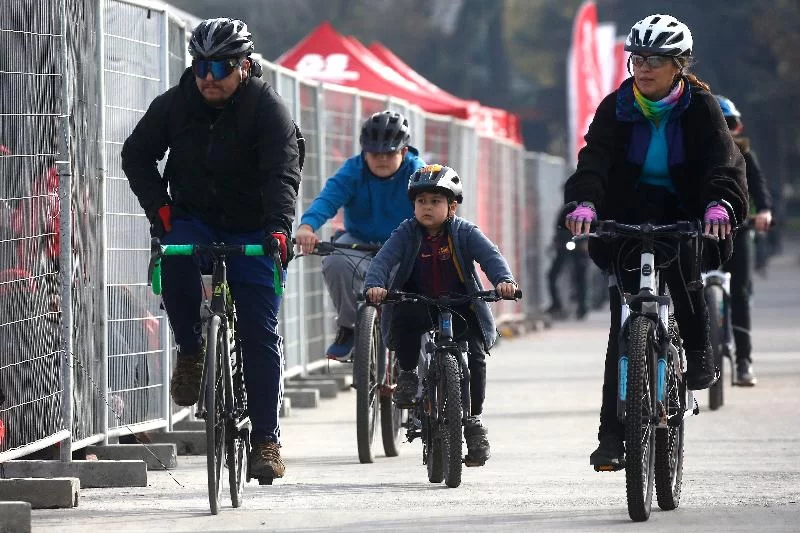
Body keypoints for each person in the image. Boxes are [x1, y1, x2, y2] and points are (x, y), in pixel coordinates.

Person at [563, 14, 748, 470]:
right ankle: (611, 437)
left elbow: (722, 163)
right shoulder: (616, 106)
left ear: (679, 65)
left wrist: (720, 205)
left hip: (683, 211)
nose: (643, 68)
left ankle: (701, 349)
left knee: (686, 278)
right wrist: (585, 203)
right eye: (637, 58)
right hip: (627, 211)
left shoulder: (701, 108)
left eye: (656, 60)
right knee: (622, 326)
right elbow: (595, 160)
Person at [121, 18, 302, 479]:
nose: (207, 76)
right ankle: (191, 349)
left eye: (219, 66)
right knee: (175, 251)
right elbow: (136, 154)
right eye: (200, 65)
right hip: (195, 217)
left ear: (243, 66)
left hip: (254, 227)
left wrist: (279, 231)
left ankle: (266, 439)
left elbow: (282, 173)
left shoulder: (268, 109)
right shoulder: (176, 103)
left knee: (260, 333)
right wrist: (160, 212)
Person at [364, 164, 517, 466]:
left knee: (475, 356)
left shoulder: (464, 233)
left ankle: (473, 421)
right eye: (421, 201)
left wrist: (505, 281)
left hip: (461, 304)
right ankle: (407, 376)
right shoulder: (406, 233)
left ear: (452, 206)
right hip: (419, 302)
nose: (427, 207)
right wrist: (375, 286)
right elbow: (383, 260)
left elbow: (491, 257)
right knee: (405, 318)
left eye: (435, 201)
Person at [294, 110, 425, 361]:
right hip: (360, 241)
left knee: (419, 287)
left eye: (389, 153)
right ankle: (349, 328)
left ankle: (421, 361)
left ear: (404, 152)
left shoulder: (417, 173)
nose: (381, 159)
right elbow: (328, 199)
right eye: (375, 153)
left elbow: (435, 208)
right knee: (334, 261)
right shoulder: (353, 170)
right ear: (364, 151)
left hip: (404, 245)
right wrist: (307, 227)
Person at [715, 95, 773, 386]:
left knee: (740, 293)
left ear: (736, 127)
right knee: (690, 287)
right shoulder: (691, 153)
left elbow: (759, 184)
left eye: (727, 124)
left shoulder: (744, 153)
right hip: (702, 232)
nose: (722, 130)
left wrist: (763, 211)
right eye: (716, 123)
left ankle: (743, 361)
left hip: (740, 230)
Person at [545, 209, 590, 320]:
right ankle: (556, 304)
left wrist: (585, 243)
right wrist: (556, 242)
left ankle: (582, 306)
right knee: (551, 275)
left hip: (579, 249)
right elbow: (558, 229)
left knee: (581, 275)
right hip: (564, 248)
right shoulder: (564, 212)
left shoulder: (584, 211)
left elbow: (589, 230)